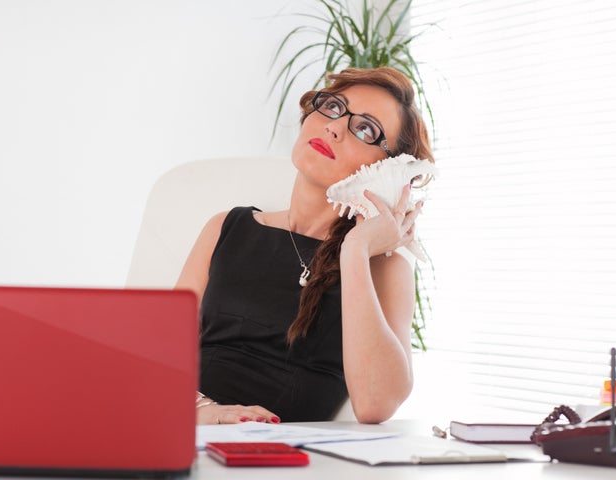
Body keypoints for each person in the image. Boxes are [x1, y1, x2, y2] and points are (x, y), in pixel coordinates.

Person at [176, 67, 434, 425]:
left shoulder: (381, 261)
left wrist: (356, 249)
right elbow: (159, 355)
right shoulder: (225, 227)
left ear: (388, 168)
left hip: (280, 454)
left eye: (365, 129)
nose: (335, 127)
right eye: (332, 107)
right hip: (181, 428)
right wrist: (205, 412)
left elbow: (376, 403)